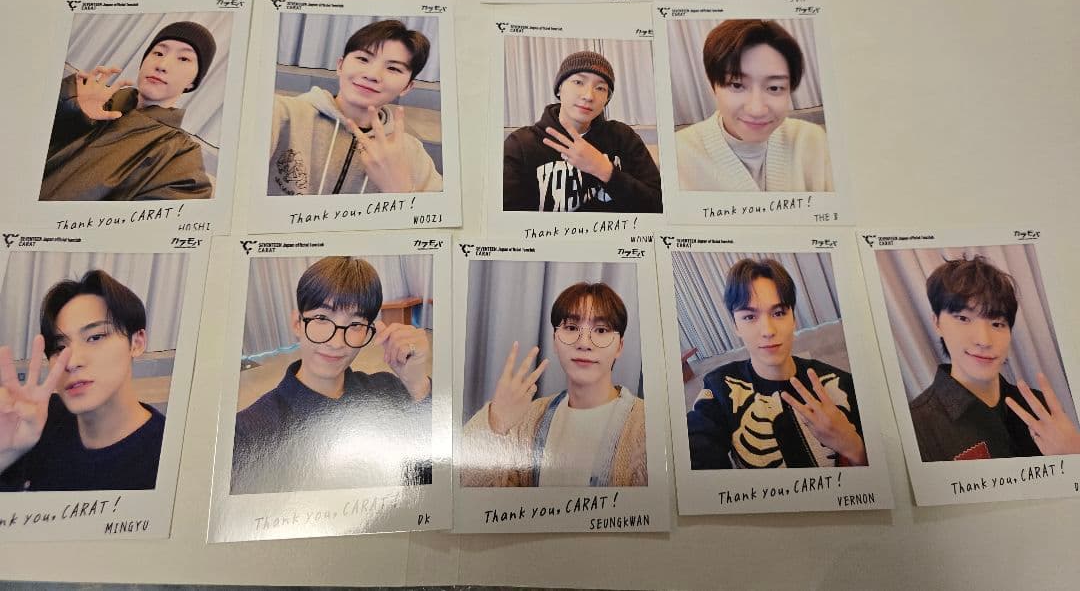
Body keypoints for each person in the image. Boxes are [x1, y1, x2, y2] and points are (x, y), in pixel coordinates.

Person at [231, 256, 433, 494]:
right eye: (321, 318)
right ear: (297, 323)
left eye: (355, 324)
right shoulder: (248, 432)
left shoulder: (389, 390)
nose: (336, 342)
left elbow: (431, 475)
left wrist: (418, 385)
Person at [461, 282, 646, 487]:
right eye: (571, 328)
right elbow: (465, 485)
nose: (584, 343)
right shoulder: (528, 419)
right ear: (555, 340)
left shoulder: (646, 424)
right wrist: (496, 421)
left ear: (620, 346)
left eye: (601, 330)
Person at [687, 258, 866, 469]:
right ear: (735, 325)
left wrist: (855, 449)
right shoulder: (720, 389)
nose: (768, 331)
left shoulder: (842, 384)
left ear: (793, 319)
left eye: (778, 313)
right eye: (749, 317)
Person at [1, 270, 164, 491]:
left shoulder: (169, 456)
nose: (71, 362)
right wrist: (8, 454)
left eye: (95, 337)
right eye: (60, 347)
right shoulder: (37, 417)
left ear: (137, 343)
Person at [909, 256, 1080, 462]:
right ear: (937, 323)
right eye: (963, 318)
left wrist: (1074, 456)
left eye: (997, 323)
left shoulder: (1039, 407)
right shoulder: (916, 428)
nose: (984, 340)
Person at [40, 21, 216, 201]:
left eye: (184, 59)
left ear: (193, 82)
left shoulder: (180, 157)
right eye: (158, 53)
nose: (162, 64)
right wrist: (69, 109)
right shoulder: (86, 96)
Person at [268, 20, 442, 196]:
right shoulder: (281, 114)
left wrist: (400, 189)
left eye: (393, 68)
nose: (372, 75)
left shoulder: (412, 152)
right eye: (363, 59)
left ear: (407, 87)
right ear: (340, 65)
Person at [675, 19, 831, 192]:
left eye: (774, 88)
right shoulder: (679, 153)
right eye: (737, 85)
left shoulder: (811, 139)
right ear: (713, 86)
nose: (757, 110)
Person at [503, 51, 662, 212]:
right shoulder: (520, 145)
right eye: (578, 82)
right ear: (559, 89)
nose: (589, 96)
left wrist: (604, 170)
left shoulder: (624, 137)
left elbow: (658, 204)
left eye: (600, 88)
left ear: (607, 99)